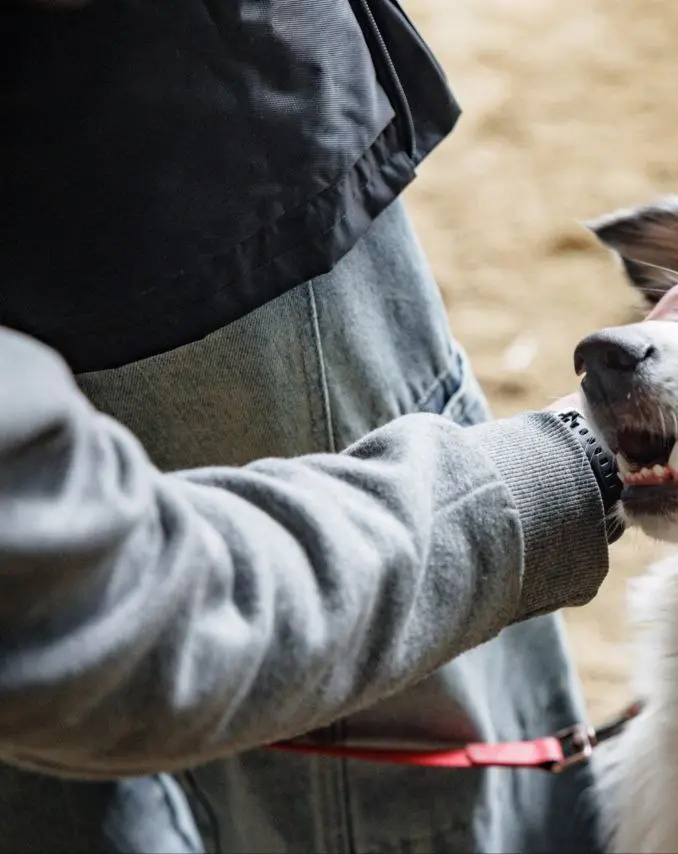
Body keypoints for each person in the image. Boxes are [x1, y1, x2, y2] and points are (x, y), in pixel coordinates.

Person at [0, 1, 619, 851]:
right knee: (383, 770)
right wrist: (560, 468)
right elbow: (117, 621)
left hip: (174, 137)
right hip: (184, 154)